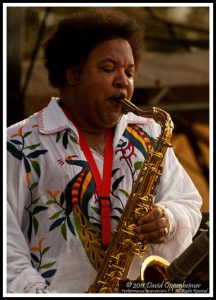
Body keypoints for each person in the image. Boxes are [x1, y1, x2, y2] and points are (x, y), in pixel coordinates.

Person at [7, 8, 202, 293]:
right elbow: (6, 248)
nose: (123, 80)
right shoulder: (17, 143)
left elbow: (187, 202)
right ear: (73, 74)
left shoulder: (149, 132)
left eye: (130, 72)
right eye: (109, 68)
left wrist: (169, 218)